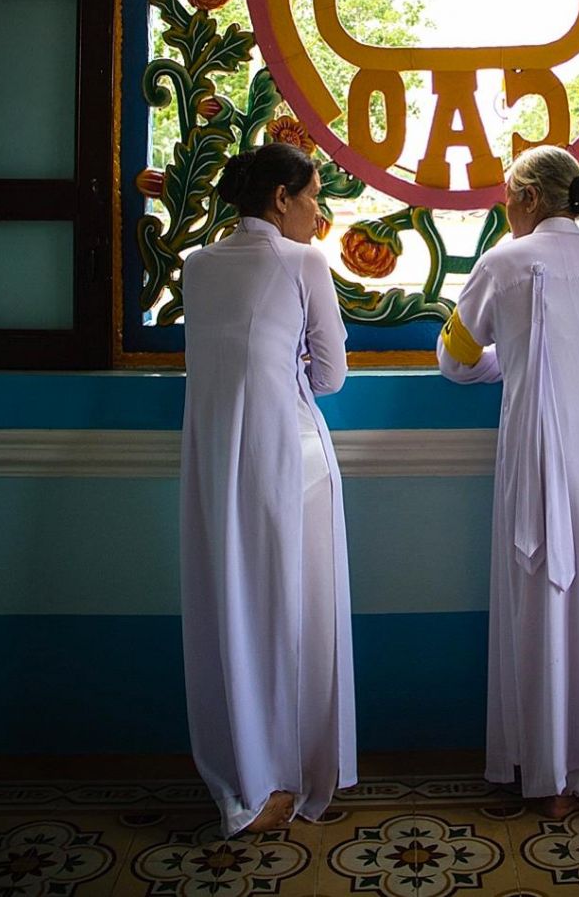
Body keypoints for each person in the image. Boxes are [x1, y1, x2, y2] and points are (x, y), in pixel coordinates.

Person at [437, 145, 579, 817]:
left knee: (548, 593)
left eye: (508, 194)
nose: (502, 205)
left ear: (532, 198)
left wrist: (509, 361)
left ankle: (556, 777)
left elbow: (454, 358)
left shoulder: (501, 262)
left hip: (547, 440)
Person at [180, 141, 353, 834]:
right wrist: (295, 366)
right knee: (298, 613)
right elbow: (332, 374)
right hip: (292, 455)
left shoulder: (196, 265)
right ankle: (295, 772)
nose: (319, 211)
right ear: (281, 198)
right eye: (312, 195)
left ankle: (247, 775)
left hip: (217, 456)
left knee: (234, 609)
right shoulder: (303, 261)